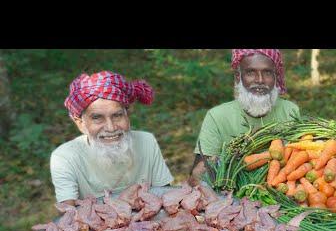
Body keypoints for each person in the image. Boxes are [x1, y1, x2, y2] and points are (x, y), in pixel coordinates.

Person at [50, 71, 174, 204]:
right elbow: (68, 212)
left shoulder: (146, 141)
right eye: (97, 118)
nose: (111, 128)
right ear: (80, 123)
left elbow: (165, 197)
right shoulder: (65, 157)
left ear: (128, 115)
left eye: (117, 115)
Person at [189, 49, 300, 185]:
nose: (260, 80)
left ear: (276, 76)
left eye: (267, 72)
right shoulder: (217, 116)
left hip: (280, 190)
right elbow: (197, 175)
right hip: (230, 193)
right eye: (250, 72)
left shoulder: (290, 111)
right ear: (238, 77)